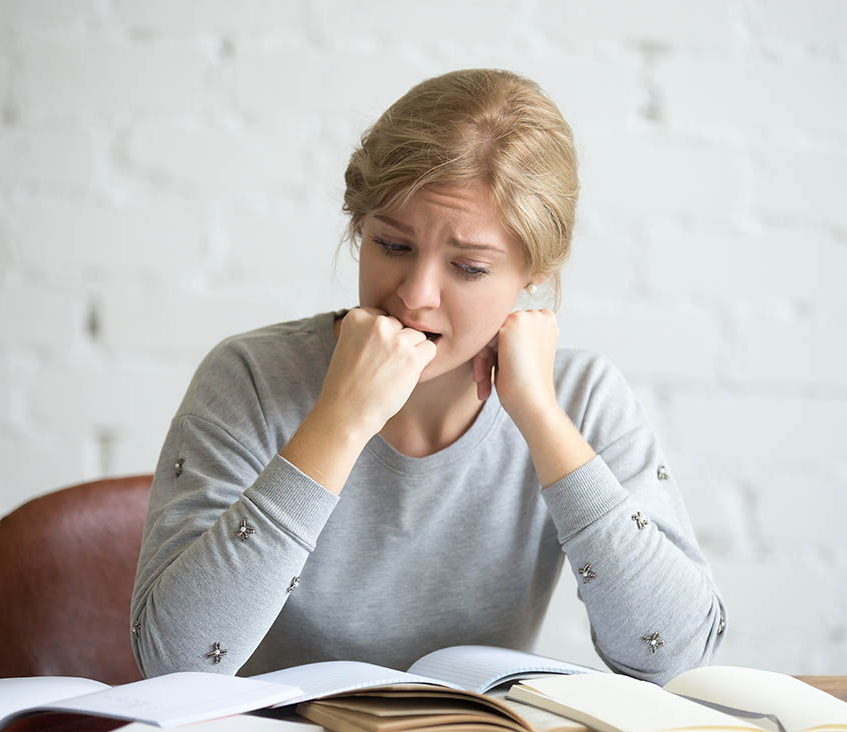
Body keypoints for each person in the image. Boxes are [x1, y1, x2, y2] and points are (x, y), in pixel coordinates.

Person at [130, 68, 726, 685]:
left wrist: (543, 421)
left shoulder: (583, 398)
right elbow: (172, 659)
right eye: (392, 246)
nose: (414, 296)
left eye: (467, 267)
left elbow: (676, 655)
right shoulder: (252, 377)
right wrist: (340, 420)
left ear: (534, 273)